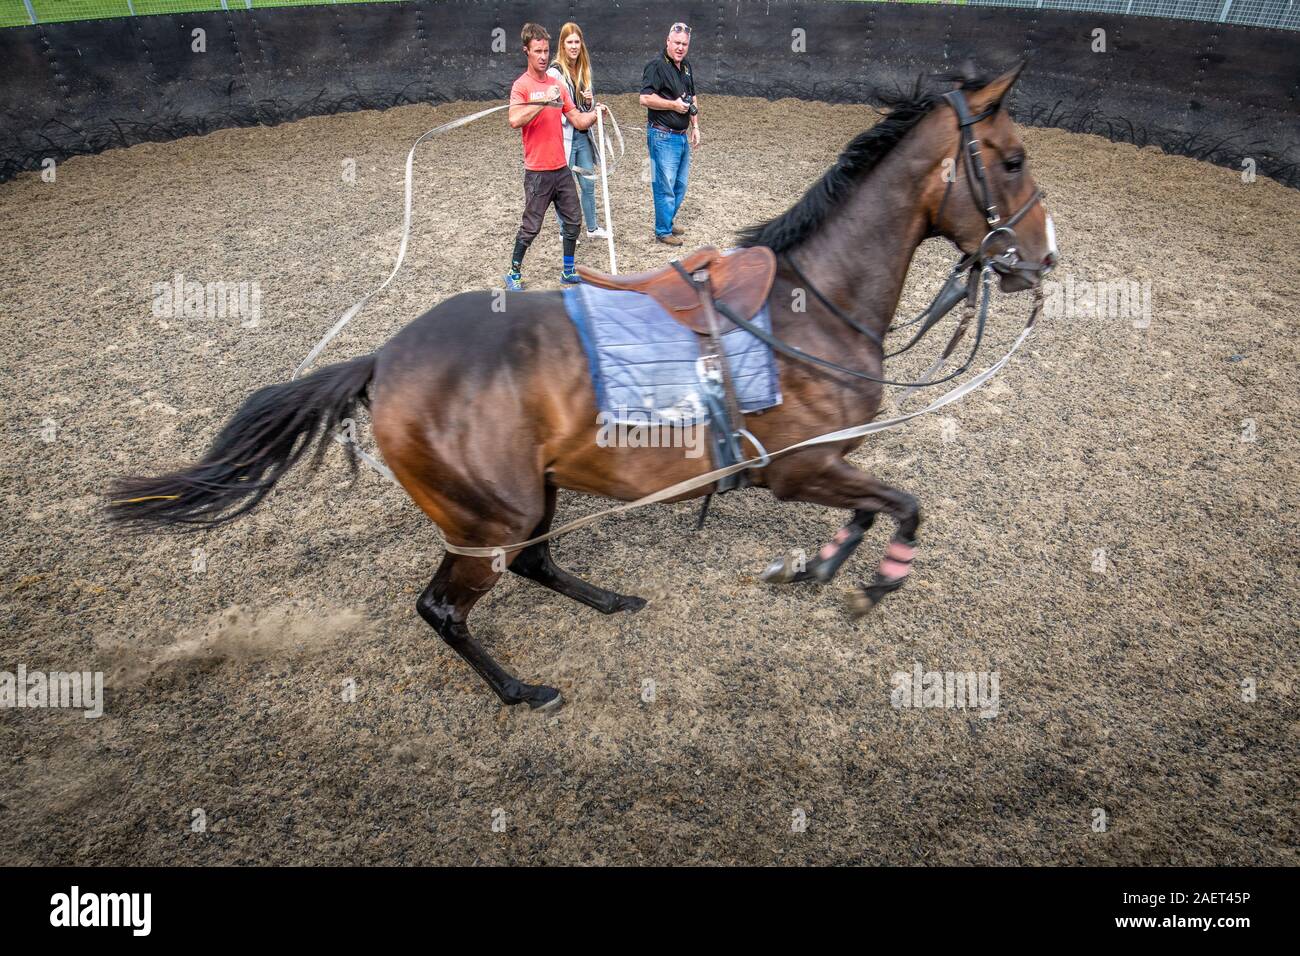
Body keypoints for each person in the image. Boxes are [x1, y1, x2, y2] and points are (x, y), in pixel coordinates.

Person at [506, 23, 603, 290]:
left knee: (573, 221)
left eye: (546, 50)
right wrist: (542, 103)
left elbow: (577, 120)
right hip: (537, 171)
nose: (543, 56)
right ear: (526, 51)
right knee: (531, 227)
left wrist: (596, 113)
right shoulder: (521, 86)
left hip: (561, 168)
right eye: (537, 51)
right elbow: (514, 120)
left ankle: (568, 270)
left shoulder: (557, 85)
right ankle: (514, 272)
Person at [639, 21, 701, 247]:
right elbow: (644, 98)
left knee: (680, 185)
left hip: (681, 135)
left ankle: (668, 220)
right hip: (662, 135)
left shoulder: (686, 66)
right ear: (667, 41)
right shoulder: (655, 66)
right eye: (676, 43)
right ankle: (662, 231)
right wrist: (673, 106)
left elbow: (692, 97)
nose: (680, 48)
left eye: (684, 44)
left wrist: (695, 126)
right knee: (664, 186)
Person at [548, 22, 609, 240]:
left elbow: (585, 109)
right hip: (563, 136)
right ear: (562, 45)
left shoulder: (584, 70)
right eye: (569, 42)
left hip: (582, 136)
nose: (574, 46)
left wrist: (591, 104)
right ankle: (565, 231)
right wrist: (584, 115)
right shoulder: (554, 73)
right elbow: (556, 111)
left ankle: (592, 228)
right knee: (564, 189)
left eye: (577, 41)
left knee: (588, 184)